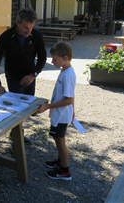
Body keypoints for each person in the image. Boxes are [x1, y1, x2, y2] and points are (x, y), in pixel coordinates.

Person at [0, 7, 47, 142]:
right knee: (16, 108)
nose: (28, 31)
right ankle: (17, 136)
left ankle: (16, 132)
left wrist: (33, 75)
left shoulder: (37, 35)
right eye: (25, 28)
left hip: (30, 76)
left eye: (31, 27)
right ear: (17, 23)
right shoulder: (6, 36)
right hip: (14, 77)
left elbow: (43, 59)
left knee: (27, 108)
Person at [37, 41, 75, 181]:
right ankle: (60, 161)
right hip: (62, 114)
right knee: (56, 138)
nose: (52, 61)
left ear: (65, 58)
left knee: (60, 141)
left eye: (54, 59)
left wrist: (48, 106)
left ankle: (65, 171)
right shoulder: (64, 70)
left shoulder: (68, 74)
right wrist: (73, 110)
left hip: (62, 115)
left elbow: (69, 100)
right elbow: (71, 96)